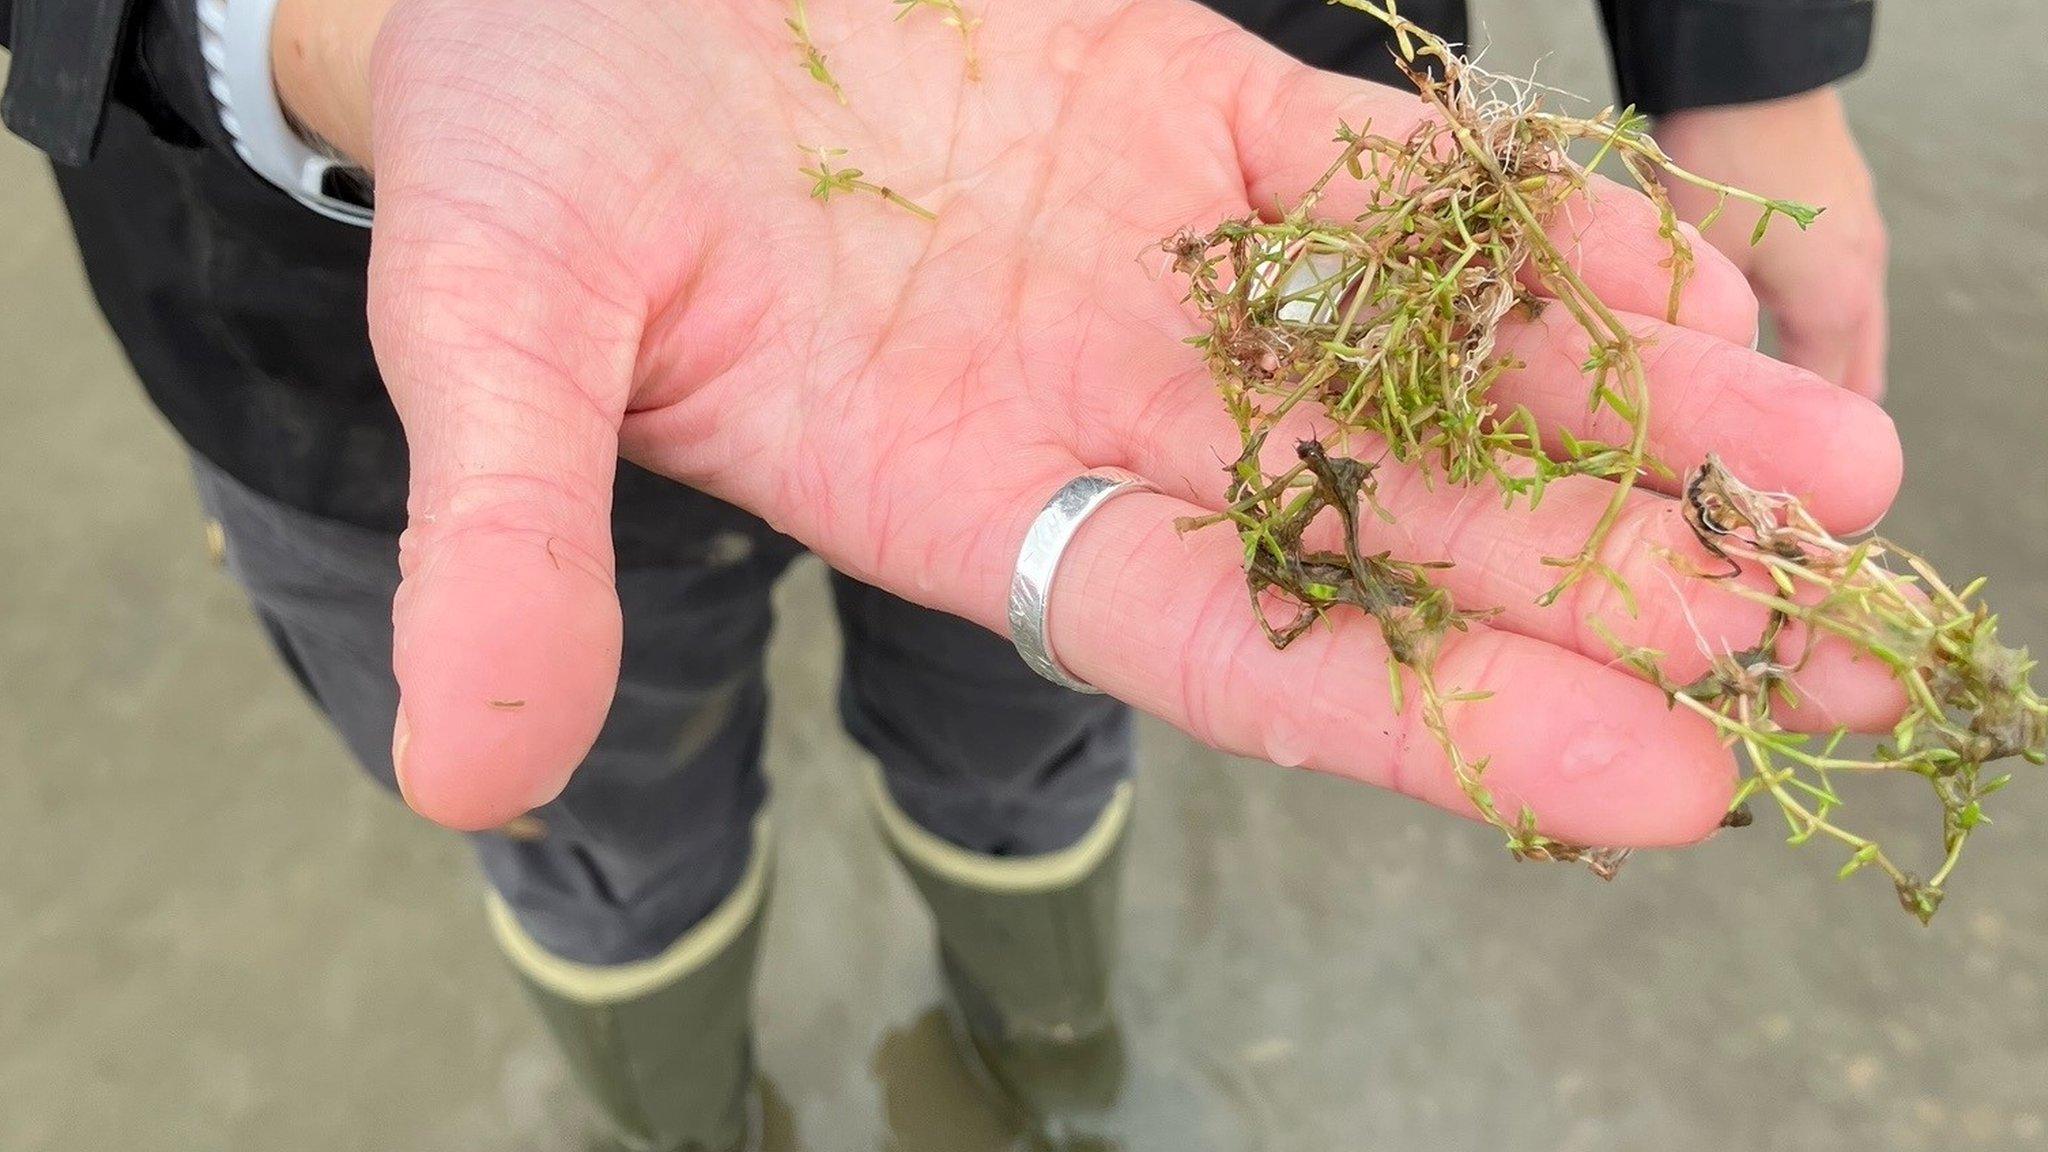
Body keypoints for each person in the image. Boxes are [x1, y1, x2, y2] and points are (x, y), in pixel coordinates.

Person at [2, 0, 1891, 1146]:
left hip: (1182, 237)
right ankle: (683, 1121)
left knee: (1049, 728)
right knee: (590, 825)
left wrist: (1749, 52)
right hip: (337, 329)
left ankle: (1049, 1066)